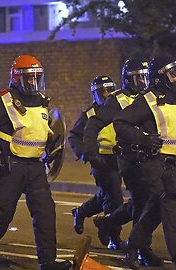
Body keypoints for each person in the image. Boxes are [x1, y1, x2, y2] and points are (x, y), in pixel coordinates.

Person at [0, 54, 72, 270]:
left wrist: (53, 144)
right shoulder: (3, 100)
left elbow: (43, 131)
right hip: (9, 166)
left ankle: (48, 262)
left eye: (37, 77)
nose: (33, 83)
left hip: (35, 167)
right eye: (29, 78)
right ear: (17, 79)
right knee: (1, 214)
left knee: (45, 213)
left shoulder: (42, 101)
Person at [113, 56, 176, 270]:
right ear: (161, 77)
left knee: (153, 211)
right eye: (173, 74)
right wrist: (143, 139)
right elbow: (121, 123)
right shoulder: (148, 100)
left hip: (174, 162)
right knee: (174, 207)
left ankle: (132, 248)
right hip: (153, 162)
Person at [84, 58, 163, 267]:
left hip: (151, 158)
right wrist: (91, 152)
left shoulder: (152, 97)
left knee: (145, 202)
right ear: (127, 79)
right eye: (138, 78)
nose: (142, 82)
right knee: (143, 203)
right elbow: (94, 124)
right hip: (130, 159)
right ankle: (140, 250)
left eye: (145, 77)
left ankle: (108, 222)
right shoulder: (118, 100)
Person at [68, 75, 124, 250]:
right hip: (100, 160)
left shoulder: (119, 108)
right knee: (115, 198)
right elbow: (74, 136)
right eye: (102, 91)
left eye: (110, 90)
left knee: (107, 196)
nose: (107, 94)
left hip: (119, 159)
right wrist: (86, 154)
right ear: (95, 94)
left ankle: (80, 212)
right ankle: (113, 235)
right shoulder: (90, 115)